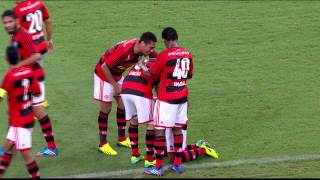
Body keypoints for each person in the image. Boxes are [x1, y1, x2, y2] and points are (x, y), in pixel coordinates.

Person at [2, 10, 58, 157]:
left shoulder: (23, 35)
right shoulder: (14, 36)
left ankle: (50, 147)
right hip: (23, 79)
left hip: (33, 79)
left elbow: (36, 55)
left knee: (33, 111)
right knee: (20, 110)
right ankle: (12, 146)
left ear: (17, 21)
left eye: (10, 21)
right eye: (5, 23)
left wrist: (18, 66)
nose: (7, 25)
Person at [94, 32, 157, 156]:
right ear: (142, 43)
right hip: (103, 76)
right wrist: (115, 85)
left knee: (122, 105)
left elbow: (157, 58)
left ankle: (122, 139)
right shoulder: (125, 51)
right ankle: (103, 144)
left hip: (116, 75)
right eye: (150, 48)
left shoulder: (141, 49)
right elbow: (104, 66)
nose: (152, 51)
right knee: (106, 108)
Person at [145, 27, 194, 176]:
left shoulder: (165, 55)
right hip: (182, 98)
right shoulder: (188, 53)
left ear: (166, 40)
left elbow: (152, 73)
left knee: (159, 130)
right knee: (178, 129)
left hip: (166, 99)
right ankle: (177, 164)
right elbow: (189, 75)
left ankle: (158, 167)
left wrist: (142, 67)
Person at [0, 46, 41, 178]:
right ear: (19, 58)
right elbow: (37, 91)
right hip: (28, 117)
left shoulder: (9, 77)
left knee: (27, 158)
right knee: (7, 149)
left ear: (6, 59)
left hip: (19, 123)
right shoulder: (29, 72)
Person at [13, 0, 54, 108]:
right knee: (36, 71)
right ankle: (40, 99)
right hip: (41, 47)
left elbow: (16, 33)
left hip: (28, 50)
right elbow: (48, 21)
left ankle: (34, 102)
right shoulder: (39, 3)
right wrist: (49, 39)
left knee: (25, 73)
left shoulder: (17, 10)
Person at [121, 57, 158, 167]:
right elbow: (158, 86)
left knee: (133, 121)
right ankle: (150, 159)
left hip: (126, 90)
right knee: (151, 124)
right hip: (141, 93)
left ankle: (135, 155)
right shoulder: (159, 64)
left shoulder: (141, 62)